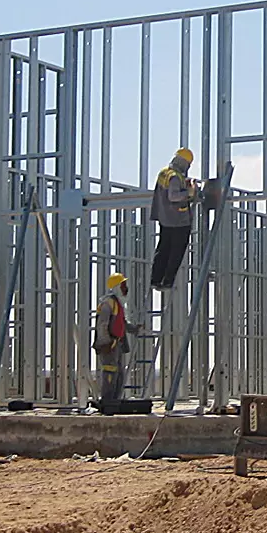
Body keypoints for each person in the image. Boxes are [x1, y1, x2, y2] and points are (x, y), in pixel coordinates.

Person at [150, 147, 199, 290]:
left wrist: (185, 183)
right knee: (176, 252)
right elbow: (173, 196)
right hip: (179, 220)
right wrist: (189, 193)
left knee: (163, 249)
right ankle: (167, 281)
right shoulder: (175, 177)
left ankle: (155, 279)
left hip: (165, 218)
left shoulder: (164, 173)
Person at [94, 272, 141, 408]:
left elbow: (122, 323)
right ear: (116, 287)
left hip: (117, 343)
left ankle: (115, 401)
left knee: (119, 373)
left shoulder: (118, 304)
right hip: (110, 344)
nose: (126, 288)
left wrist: (134, 329)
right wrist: (106, 343)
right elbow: (102, 325)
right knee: (110, 371)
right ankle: (107, 401)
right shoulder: (108, 304)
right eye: (123, 285)